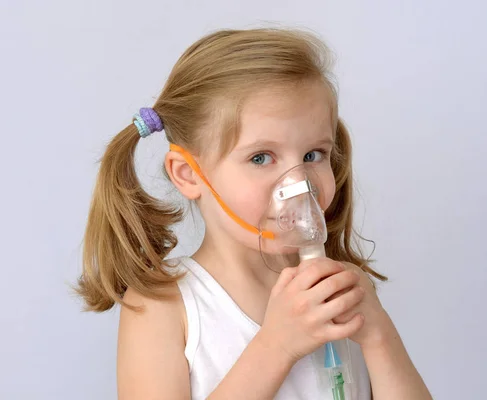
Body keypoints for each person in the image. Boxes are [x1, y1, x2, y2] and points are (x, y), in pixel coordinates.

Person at [76, 27, 432, 400]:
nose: (300, 184)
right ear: (188, 174)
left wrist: (378, 335)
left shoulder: (340, 289)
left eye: (313, 155)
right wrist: (276, 347)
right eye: (261, 158)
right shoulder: (164, 306)